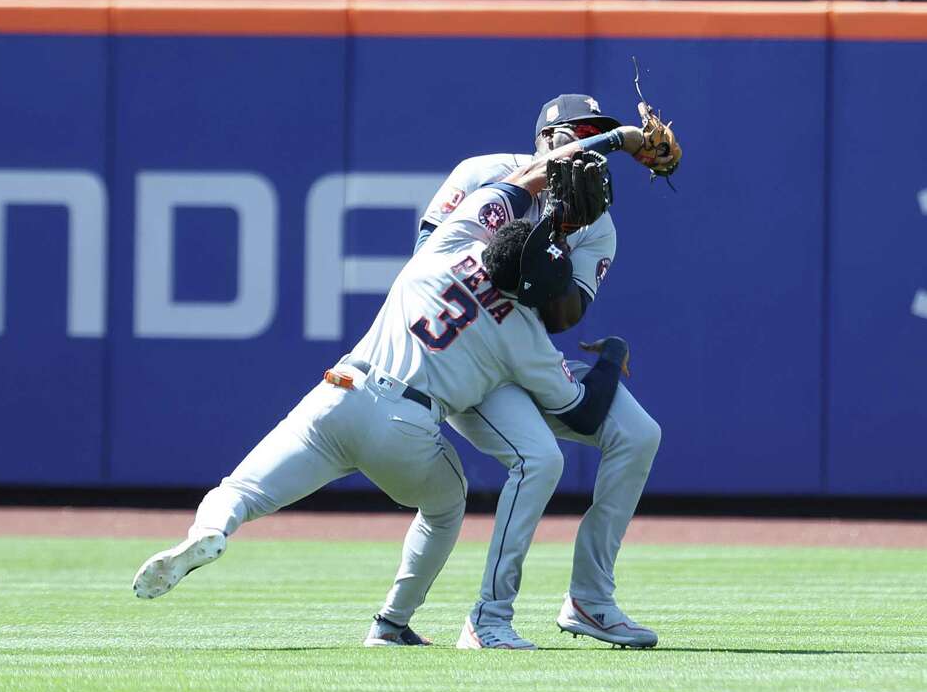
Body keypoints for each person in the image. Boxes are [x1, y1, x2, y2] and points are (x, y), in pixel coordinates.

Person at [130, 151, 631, 651]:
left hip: (340, 392)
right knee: (446, 504)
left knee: (239, 489)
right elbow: (583, 411)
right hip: (404, 428)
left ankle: (211, 529)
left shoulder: (445, 246)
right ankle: (391, 623)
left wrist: (587, 149)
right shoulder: (525, 338)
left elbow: (516, 188)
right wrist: (611, 357)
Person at [387, 95, 668, 650]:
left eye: (599, 133)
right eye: (577, 132)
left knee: (639, 435)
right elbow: (428, 256)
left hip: (523, 350)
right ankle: (489, 616)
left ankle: (591, 599)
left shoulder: (598, 224)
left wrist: (559, 236)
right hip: (464, 352)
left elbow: (565, 316)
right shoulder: (485, 173)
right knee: (540, 459)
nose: (591, 144)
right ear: (545, 139)